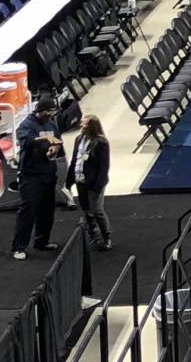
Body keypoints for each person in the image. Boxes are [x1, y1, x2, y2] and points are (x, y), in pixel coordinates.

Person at [10, 107, 62, 260]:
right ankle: (18, 247)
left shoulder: (51, 124)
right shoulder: (27, 125)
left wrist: (54, 148)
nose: (51, 115)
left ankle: (42, 241)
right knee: (28, 211)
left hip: (48, 173)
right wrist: (45, 139)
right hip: (31, 176)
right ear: (40, 111)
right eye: (48, 111)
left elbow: (58, 141)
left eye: (53, 112)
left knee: (47, 210)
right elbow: (26, 141)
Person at [67, 114, 113, 253]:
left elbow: (104, 167)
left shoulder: (101, 143)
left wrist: (98, 186)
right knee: (86, 209)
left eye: (85, 124)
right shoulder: (78, 139)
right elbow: (75, 160)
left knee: (97, 210)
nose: (81, 126)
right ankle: (93, 233)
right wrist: (69, 180)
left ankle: (107, 237)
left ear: (92, 126)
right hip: (81, 180)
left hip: (94, 182)